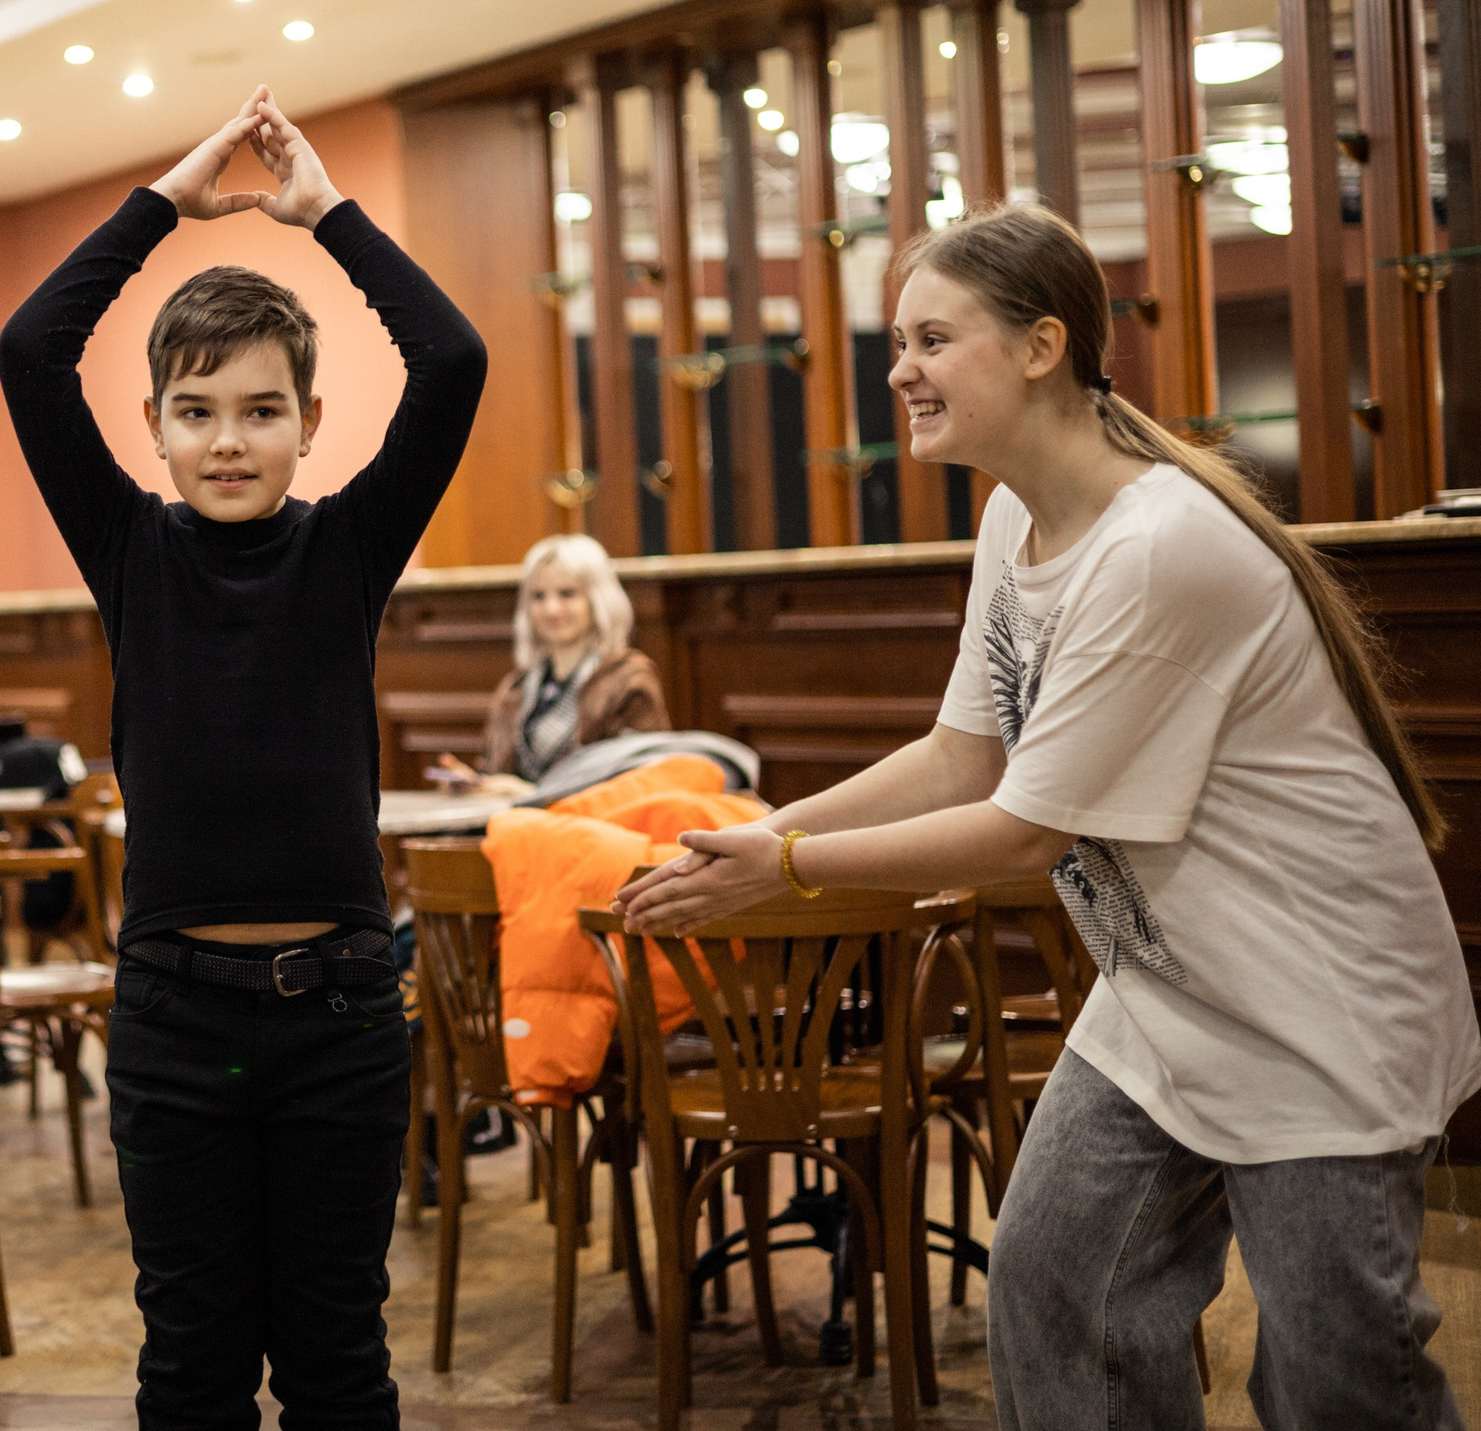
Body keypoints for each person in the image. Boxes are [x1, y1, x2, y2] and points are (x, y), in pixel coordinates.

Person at [615, 202, 1474, 1430]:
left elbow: (1024, 831)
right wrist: (763, 832)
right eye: (896, 341)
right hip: (1167, 1000)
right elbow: (962, 755)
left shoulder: (1156, 547)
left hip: (1317, 1015)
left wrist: (785, 868)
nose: (898, 370)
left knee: (1341, 1386)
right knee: (1054, 1285)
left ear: (1039, 346)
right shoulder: (1015, 517)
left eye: (929, 337)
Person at [0, 85, 487, 1430]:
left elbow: (451, 361)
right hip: (173, 1013)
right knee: (194, 1366)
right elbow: (30, 349)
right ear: (154, 423)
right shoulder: (127, 545)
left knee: (339, 1360)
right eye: (198, 410)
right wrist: (163, 204)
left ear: (310, 421)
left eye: (261, 410)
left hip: (338, 1012)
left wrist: (325, 216)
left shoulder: (348, 544)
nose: (228, 438)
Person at [438, 532, 667, 794]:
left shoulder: (629, 678)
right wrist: (475, 782)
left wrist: (530, 794)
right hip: (514, 828)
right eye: (538, 596)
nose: (551, 609)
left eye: (567, 594)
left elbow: (639, 785)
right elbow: (496, 773)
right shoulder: (517, 686)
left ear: (598, 599)